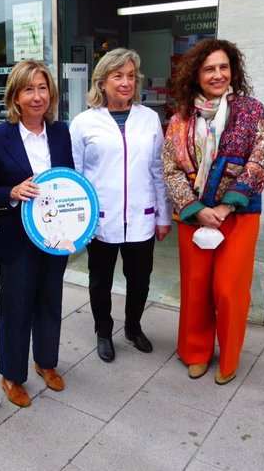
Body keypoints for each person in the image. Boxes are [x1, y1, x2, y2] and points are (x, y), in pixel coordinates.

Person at [162, 38, 264, 385]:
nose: (218, 74)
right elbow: (170, 168)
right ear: (196, 74)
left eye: (224, 67)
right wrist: (196, 209)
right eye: (210, 68)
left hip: (238, 216)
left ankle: (230, 357)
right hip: (192, 217)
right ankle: (196, 352)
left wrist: (225, 206)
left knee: (228, 288)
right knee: (195, 287)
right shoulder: (180, 118)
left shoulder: (252, 111)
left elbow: (260, 160)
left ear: (233, 71)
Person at [0, 60, 74, 407]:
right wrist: (11, 193)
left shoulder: (61, 132)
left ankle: (45, 362)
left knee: (50, 301)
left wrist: (78, 225)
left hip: (54, 238)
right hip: (16, 239)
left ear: (51, 93)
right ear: (15, 96)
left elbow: (69, 183)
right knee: (16, 305)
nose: (37, 96)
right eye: (29, 89)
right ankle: (11, 374)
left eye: (42, 88)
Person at [69, 48, 172, 363]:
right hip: (101, 219)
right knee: (99, 280)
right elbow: (75, 176)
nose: (126, 82)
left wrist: (163, 216)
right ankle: (103, 331)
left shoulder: (150, 119)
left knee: (140, 278)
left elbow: (158, 170)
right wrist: (78, 223)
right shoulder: (84, 122)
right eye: (118, 76)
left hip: (142, 217)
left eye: (131, 76)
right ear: (102, 81)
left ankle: (133, 326)